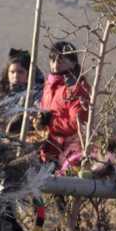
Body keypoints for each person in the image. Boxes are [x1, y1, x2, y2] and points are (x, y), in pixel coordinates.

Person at [38, 41, 91, 170]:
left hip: (67, 157)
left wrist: (50, 121)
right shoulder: (48, 86)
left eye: (61, 59)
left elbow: (77, 124)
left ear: (73, 63)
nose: (56, 64)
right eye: (53, 59)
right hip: (46, 150)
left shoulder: (76, 89)